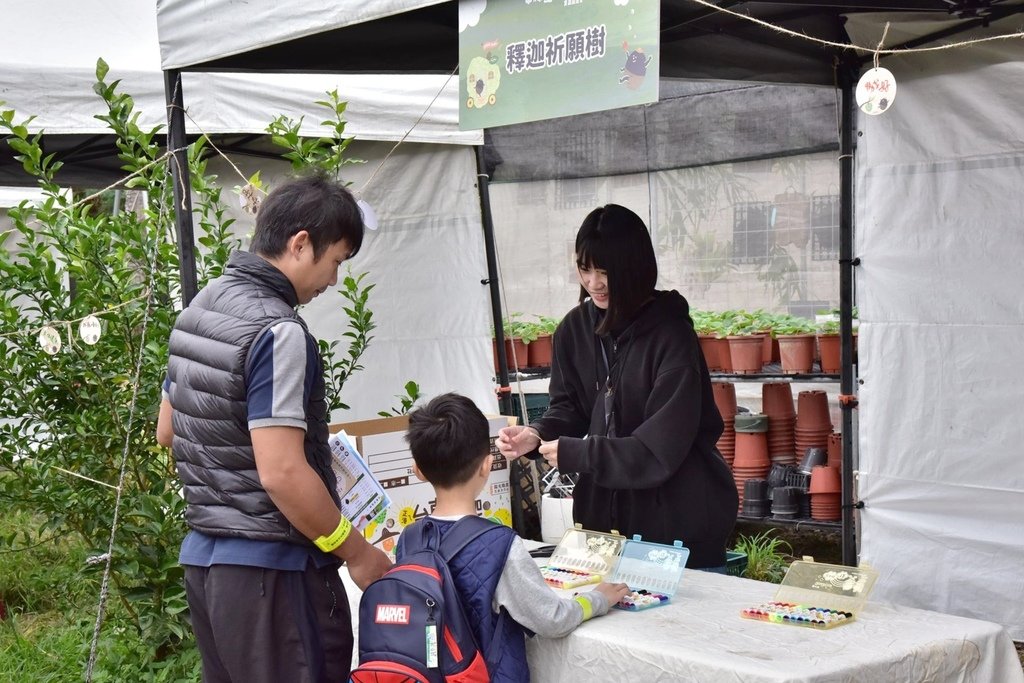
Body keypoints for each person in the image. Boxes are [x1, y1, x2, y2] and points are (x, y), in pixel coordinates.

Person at [156, 175, 392, 683]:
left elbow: (168, 430)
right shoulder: (278, 331)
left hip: (205, 562)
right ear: (300, 243)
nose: (332, 281)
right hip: (273, 574)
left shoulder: (199, 309)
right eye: (336, 262)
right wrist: (356, 551)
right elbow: (282, 472)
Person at [497, 204, 738, 570]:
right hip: (601, 527)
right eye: (585, 268)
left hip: (677, 527)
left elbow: (659, 450)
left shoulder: (672, 337)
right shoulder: (572, 331)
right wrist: (536, 433)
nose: (594, 283)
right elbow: (570, 409)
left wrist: (580, 454)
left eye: (605, 271)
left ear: (634, 268)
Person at [403, 393, 629, 681]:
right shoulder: (500, 545)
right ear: (486, 466)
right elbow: (552, 619)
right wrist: (596, 599)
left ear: (418, 471)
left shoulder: (409, 539)